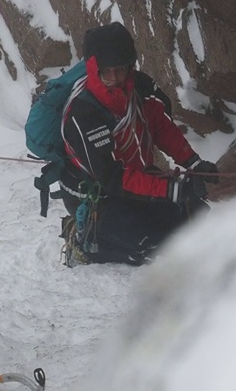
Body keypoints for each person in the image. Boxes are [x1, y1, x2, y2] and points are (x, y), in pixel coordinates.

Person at [59, 21, 219, 265]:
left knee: (196, 215)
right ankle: (83, 240)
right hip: (99, 195)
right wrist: (168, 190)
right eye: (106, 72)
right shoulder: (83, 114)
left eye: (120, 70)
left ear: (130, 67)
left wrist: (193, 163)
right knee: (149, 243)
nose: (114, 79)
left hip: (136, 179)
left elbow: (160, 127)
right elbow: (112, 178)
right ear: (94, 69)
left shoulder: (139, 89)